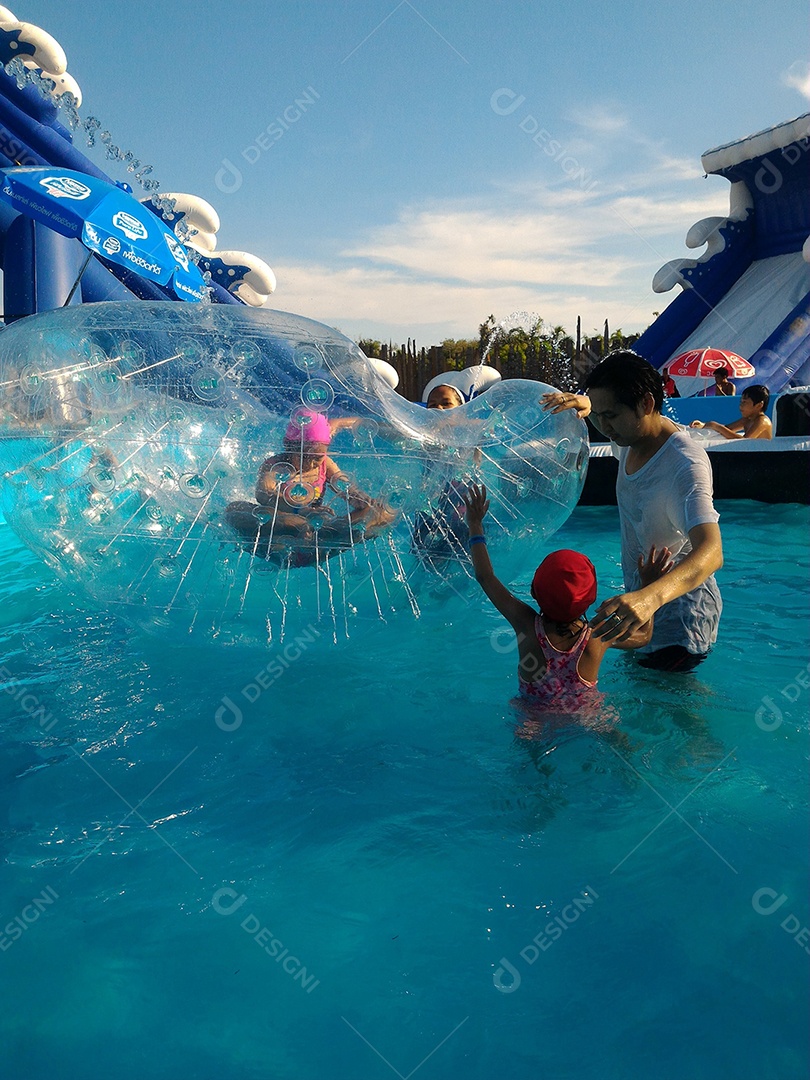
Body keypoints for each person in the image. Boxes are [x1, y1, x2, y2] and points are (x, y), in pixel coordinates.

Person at [542, 351, 723, 672]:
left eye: (610, 415)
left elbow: (712, 552)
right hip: (638, 604)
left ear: (646, 404)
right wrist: (587, 405)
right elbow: (604, 413)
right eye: (598, 415)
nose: (603, 426)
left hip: (682, 617)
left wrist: (650, 598)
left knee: (668, 697)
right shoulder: (630, 436)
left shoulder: (684, 465)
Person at [463, 484, 673, 707]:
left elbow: (485, 577)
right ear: (590, 598)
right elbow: (644, 636)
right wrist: (648, 586)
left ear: (534, 591)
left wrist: (475, 525)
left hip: (533, 716)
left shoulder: (526, 625)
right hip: (587, 716)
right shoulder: (597, 636)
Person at [224, 410, 394, 563]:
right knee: (234, 509)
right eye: (305, 456)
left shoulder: (325, 464)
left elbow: (343, 484)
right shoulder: (274, 465)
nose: (311, 463)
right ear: (289, 446)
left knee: (383, 512)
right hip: (280, 533)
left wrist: (357, 497)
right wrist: (301, 510)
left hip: (314, 532)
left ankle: (325, 537)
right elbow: (264, 495)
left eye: (317, 458)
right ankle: (318, 534)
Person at [690, 384, 772, 440]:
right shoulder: (747, 419)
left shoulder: (762, 421)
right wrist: (704, 425)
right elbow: (728, 429)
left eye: (744, 402)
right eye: (741, 402)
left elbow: (746, 441)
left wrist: (716, 426)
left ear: (759, 405)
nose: (740, 406)